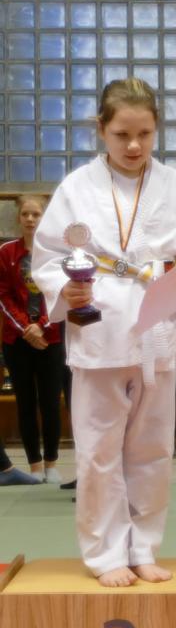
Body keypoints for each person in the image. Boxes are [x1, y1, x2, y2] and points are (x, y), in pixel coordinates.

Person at [31, 77, 176, 587]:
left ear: (157, 129)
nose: (134, 146)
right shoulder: (76, 188)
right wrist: (64, 290)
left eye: (144, 134)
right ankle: (106, 553)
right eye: (121, 135)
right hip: (99, 326)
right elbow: (47, 257)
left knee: (153, 449)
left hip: (156, 327)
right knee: (98, 452)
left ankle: (144, 548)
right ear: (101, 129)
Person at [0, 195, 66, 483]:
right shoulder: (6, 252)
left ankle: (51, 463)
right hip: (17, 341)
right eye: (25, 214)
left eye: (35, 214)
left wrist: (41, 326)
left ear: (44, 217)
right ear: (18, 218)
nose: (30, 219)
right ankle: (35, 466)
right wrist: (26, 328)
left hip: (51, 339)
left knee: (50, 403)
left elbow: (61, 294)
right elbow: (3, 295)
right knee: (25, 403)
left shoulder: (57, 253)